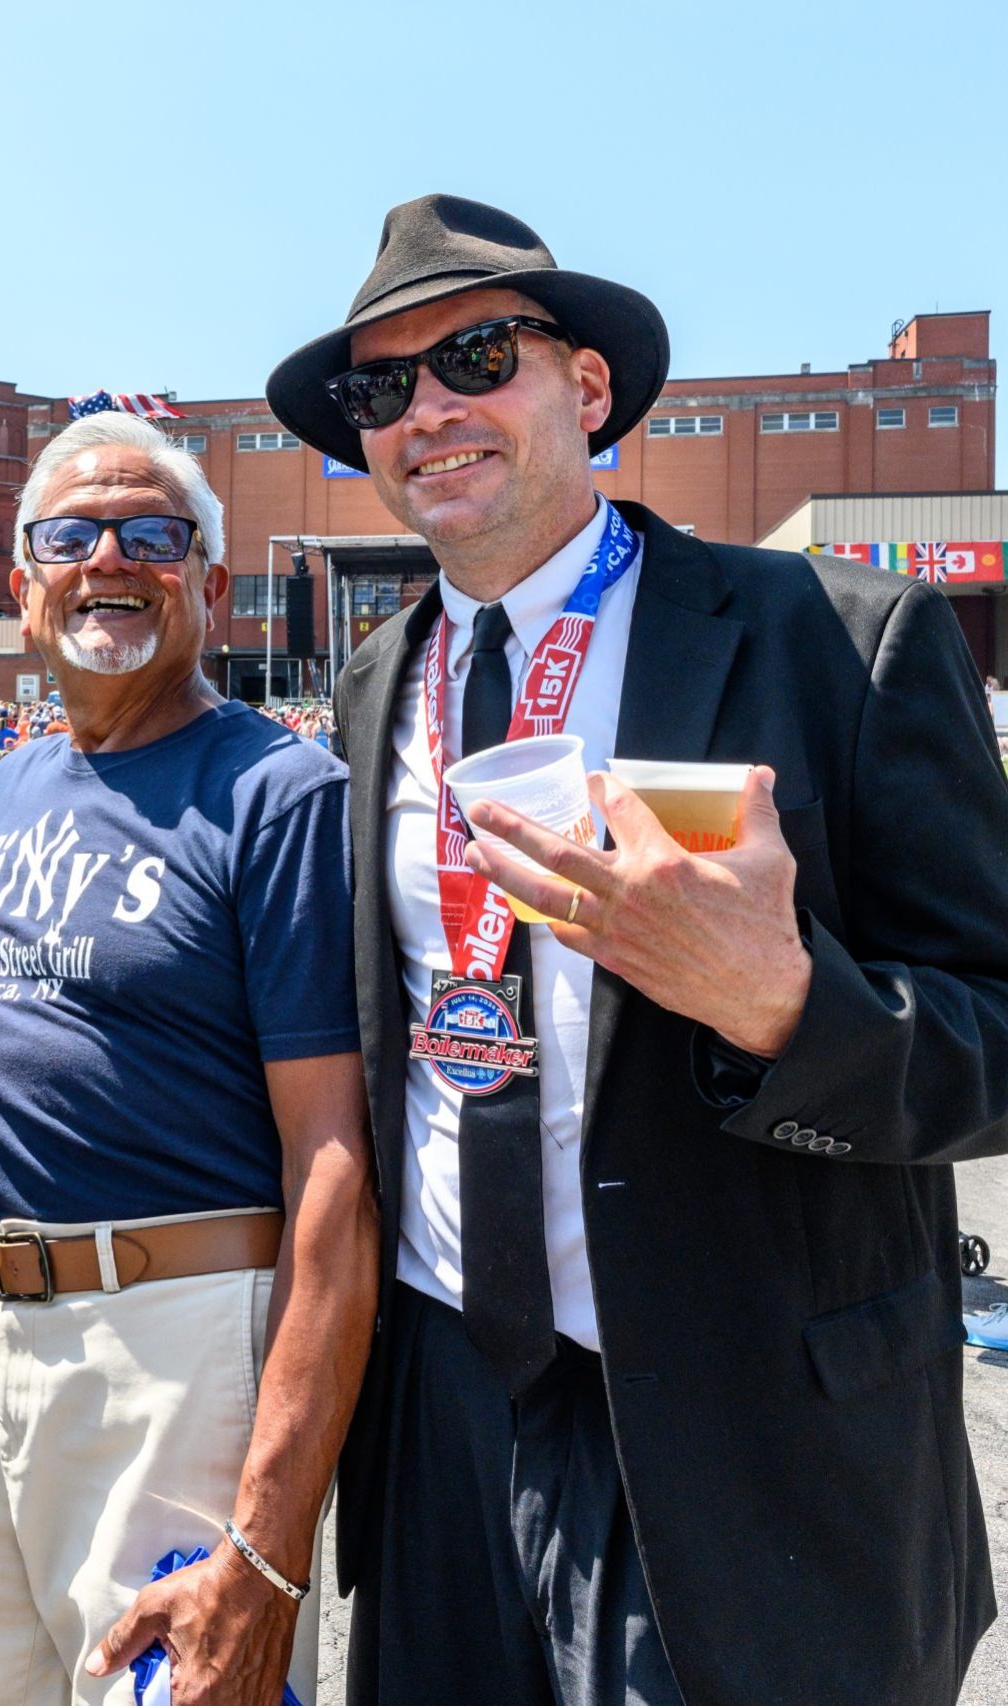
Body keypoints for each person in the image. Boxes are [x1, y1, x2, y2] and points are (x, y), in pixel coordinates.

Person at [264, 193, 1008, 1706]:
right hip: (446, 1421)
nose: (428, 412)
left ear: (587, 387)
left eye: (475, 355)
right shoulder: (368, 683)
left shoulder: (836, 640)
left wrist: (794, 1007)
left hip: (751, 1447)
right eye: (381, 387)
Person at [0, 410, 375, 1706]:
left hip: (178, 1351)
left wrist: (266, 1549)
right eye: (71, 535)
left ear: (211, 586)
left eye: (152, 534)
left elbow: (335, 1165)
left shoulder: (279, 793)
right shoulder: (11, 785)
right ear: (24, 590)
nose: (109, 557)